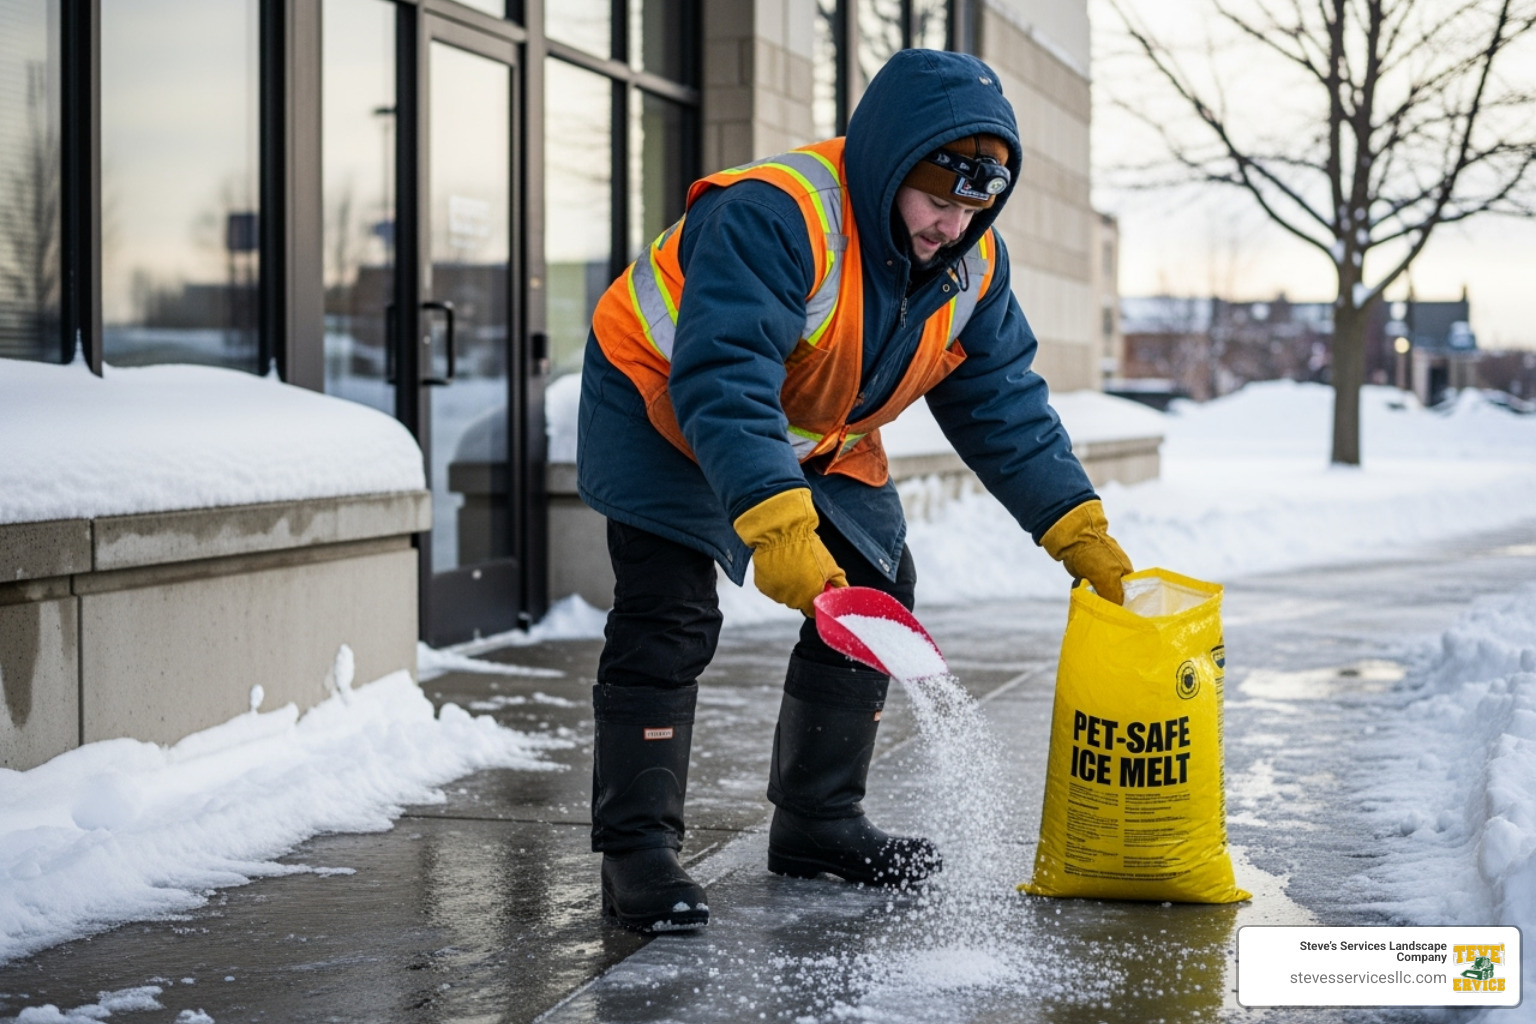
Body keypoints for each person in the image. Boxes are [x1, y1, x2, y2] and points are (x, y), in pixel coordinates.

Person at [576, 48, 1133, 933]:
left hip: (812, 424)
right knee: (668, 614)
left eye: (973, 207)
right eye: (937, 200)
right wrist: (776, 526)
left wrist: (1077, 528)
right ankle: (637, 853)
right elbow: (723, 376)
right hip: (661, 398)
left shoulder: (974, 267)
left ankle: (818, 821)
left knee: (874, 592)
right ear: (887, 166)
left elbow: (1002, 405)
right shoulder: (777, 215)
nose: (952, 225)